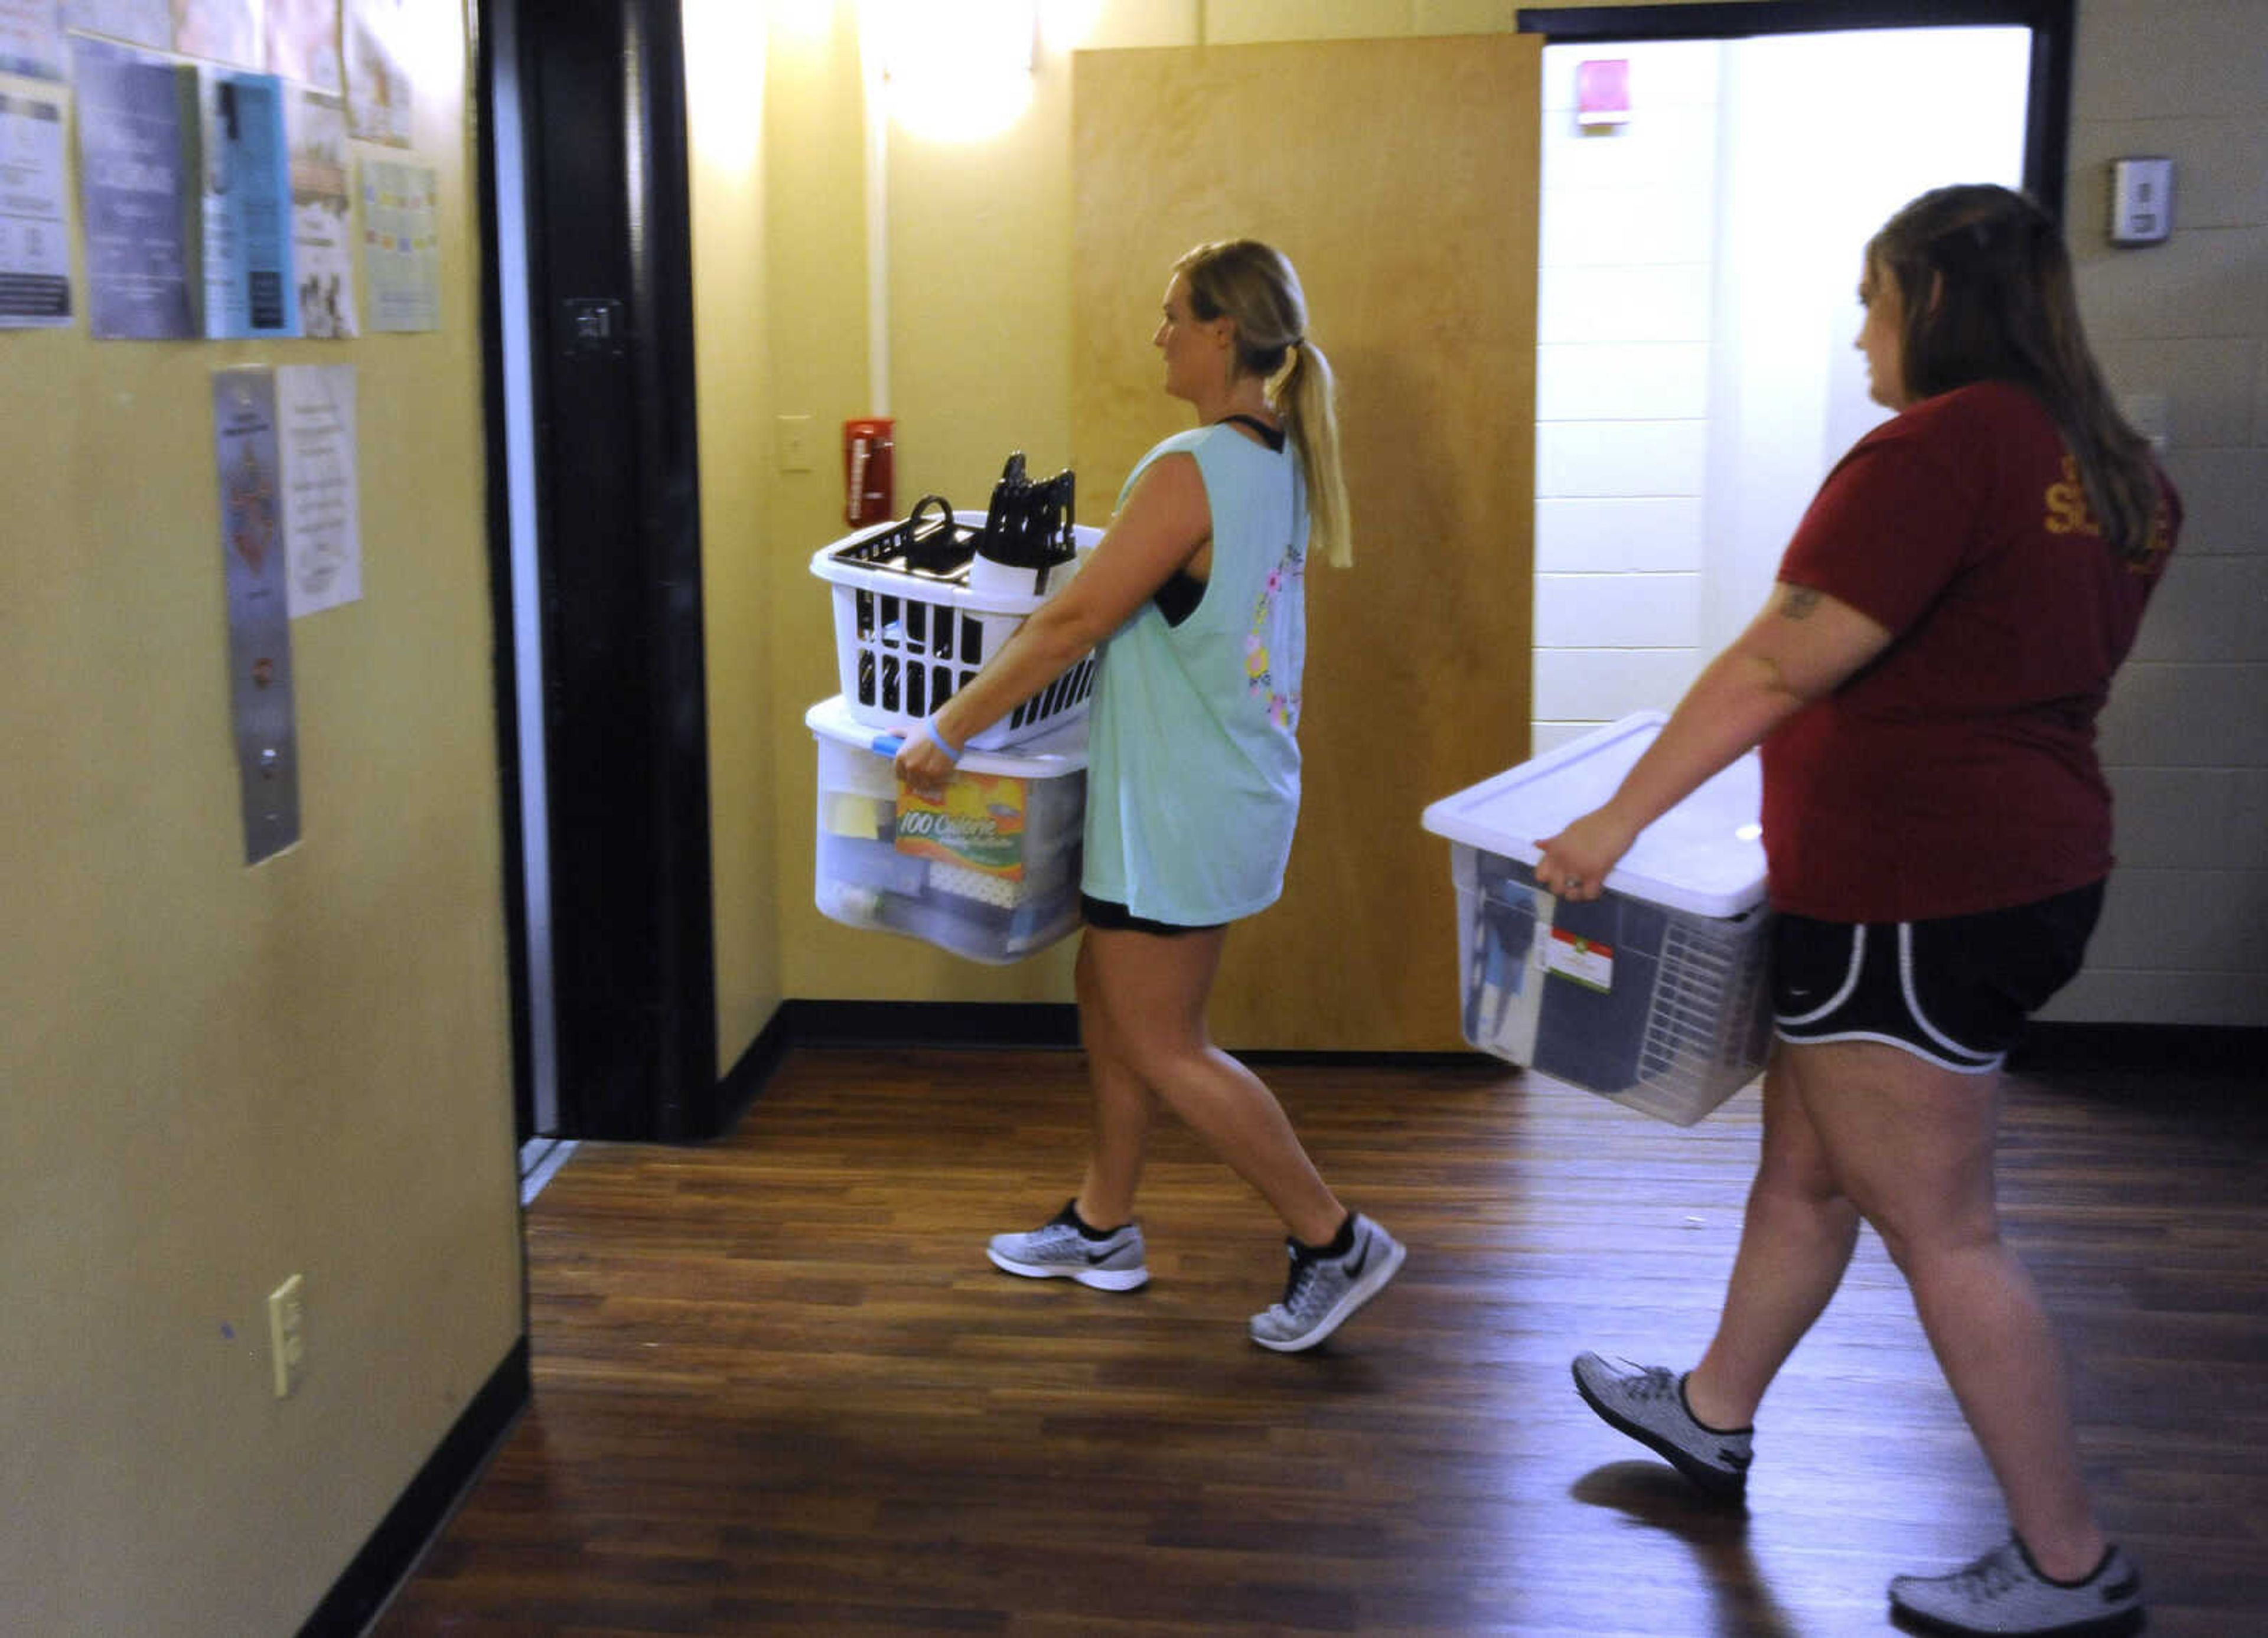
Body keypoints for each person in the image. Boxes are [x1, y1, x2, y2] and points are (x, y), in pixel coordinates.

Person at [1540, 184, 2175, 1638]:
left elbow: (1781, 667)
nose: (1859, 332)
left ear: (1936, 303)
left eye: (1873, 300)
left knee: (1945, 1230)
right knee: (1809, 1168)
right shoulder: (2115, 464)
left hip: (1918, 891)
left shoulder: (1935, 451)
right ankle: (1713, 1412)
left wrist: (1614, 821)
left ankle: (2070, 1562)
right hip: (2010, 866)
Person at [894, 239, 1405, 1353]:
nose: (1159, 332)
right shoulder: (1274, 458)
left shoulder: (1191, 465)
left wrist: (948, 729)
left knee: (1166, 1041)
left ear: (1224, 332)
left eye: (1173, 313)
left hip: (1183, 804)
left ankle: (1332, 1238)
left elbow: (1077, 621)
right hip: (1216, 789)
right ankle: (1103, 1223)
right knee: (1110, 998)